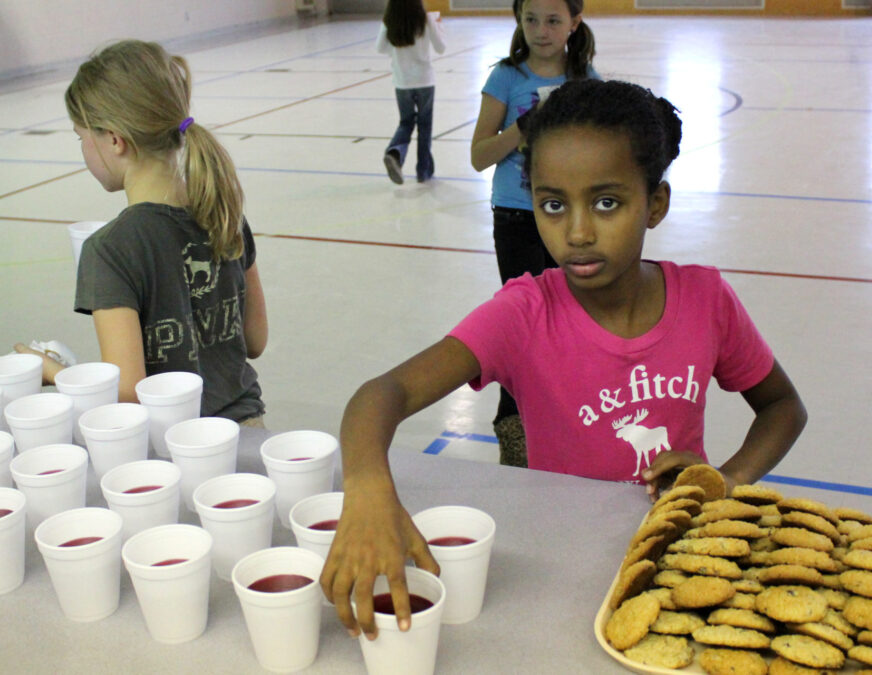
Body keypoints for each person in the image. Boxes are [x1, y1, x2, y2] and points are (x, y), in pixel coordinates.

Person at [320, 78, 807, 639]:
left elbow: (782, 407)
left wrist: (728, 478)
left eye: (606, 203)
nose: (577, 232)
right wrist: (368, 489)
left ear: (655, 204)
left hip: (679, 557)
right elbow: (382, 394)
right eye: (553, 205)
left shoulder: (706, 300)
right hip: (558, 566)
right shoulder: (524, 313)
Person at [15, 39, 268, 425]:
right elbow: (255, 340)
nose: (83, 149)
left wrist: (52, 371)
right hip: (246, 429)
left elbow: (127, 394)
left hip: (173, 444)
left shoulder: (111, 249)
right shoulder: (225, 214)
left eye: (81, 137)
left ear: (114, 140)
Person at [470, 0, 597, 467]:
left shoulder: (585, 81)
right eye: (531, 20)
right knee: (524, 323)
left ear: (574, 23)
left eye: (553, 20)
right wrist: (522, 129)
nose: (541, 30)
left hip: (567, 218)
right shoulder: (506, 77)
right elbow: (479, 156)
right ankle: (514, 426)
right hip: (517, 218)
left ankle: (565, 420)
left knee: (571, 323)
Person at [376, 0, 446, 185]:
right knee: (425, 126)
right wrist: (438, 27)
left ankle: (395, 153)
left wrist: (397, 49)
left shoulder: (390, 20)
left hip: (402, 82)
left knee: (406, 122)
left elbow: (380, 48)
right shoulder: (425, 19)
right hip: (424, 81)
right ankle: (423, 171)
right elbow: (441, 48)